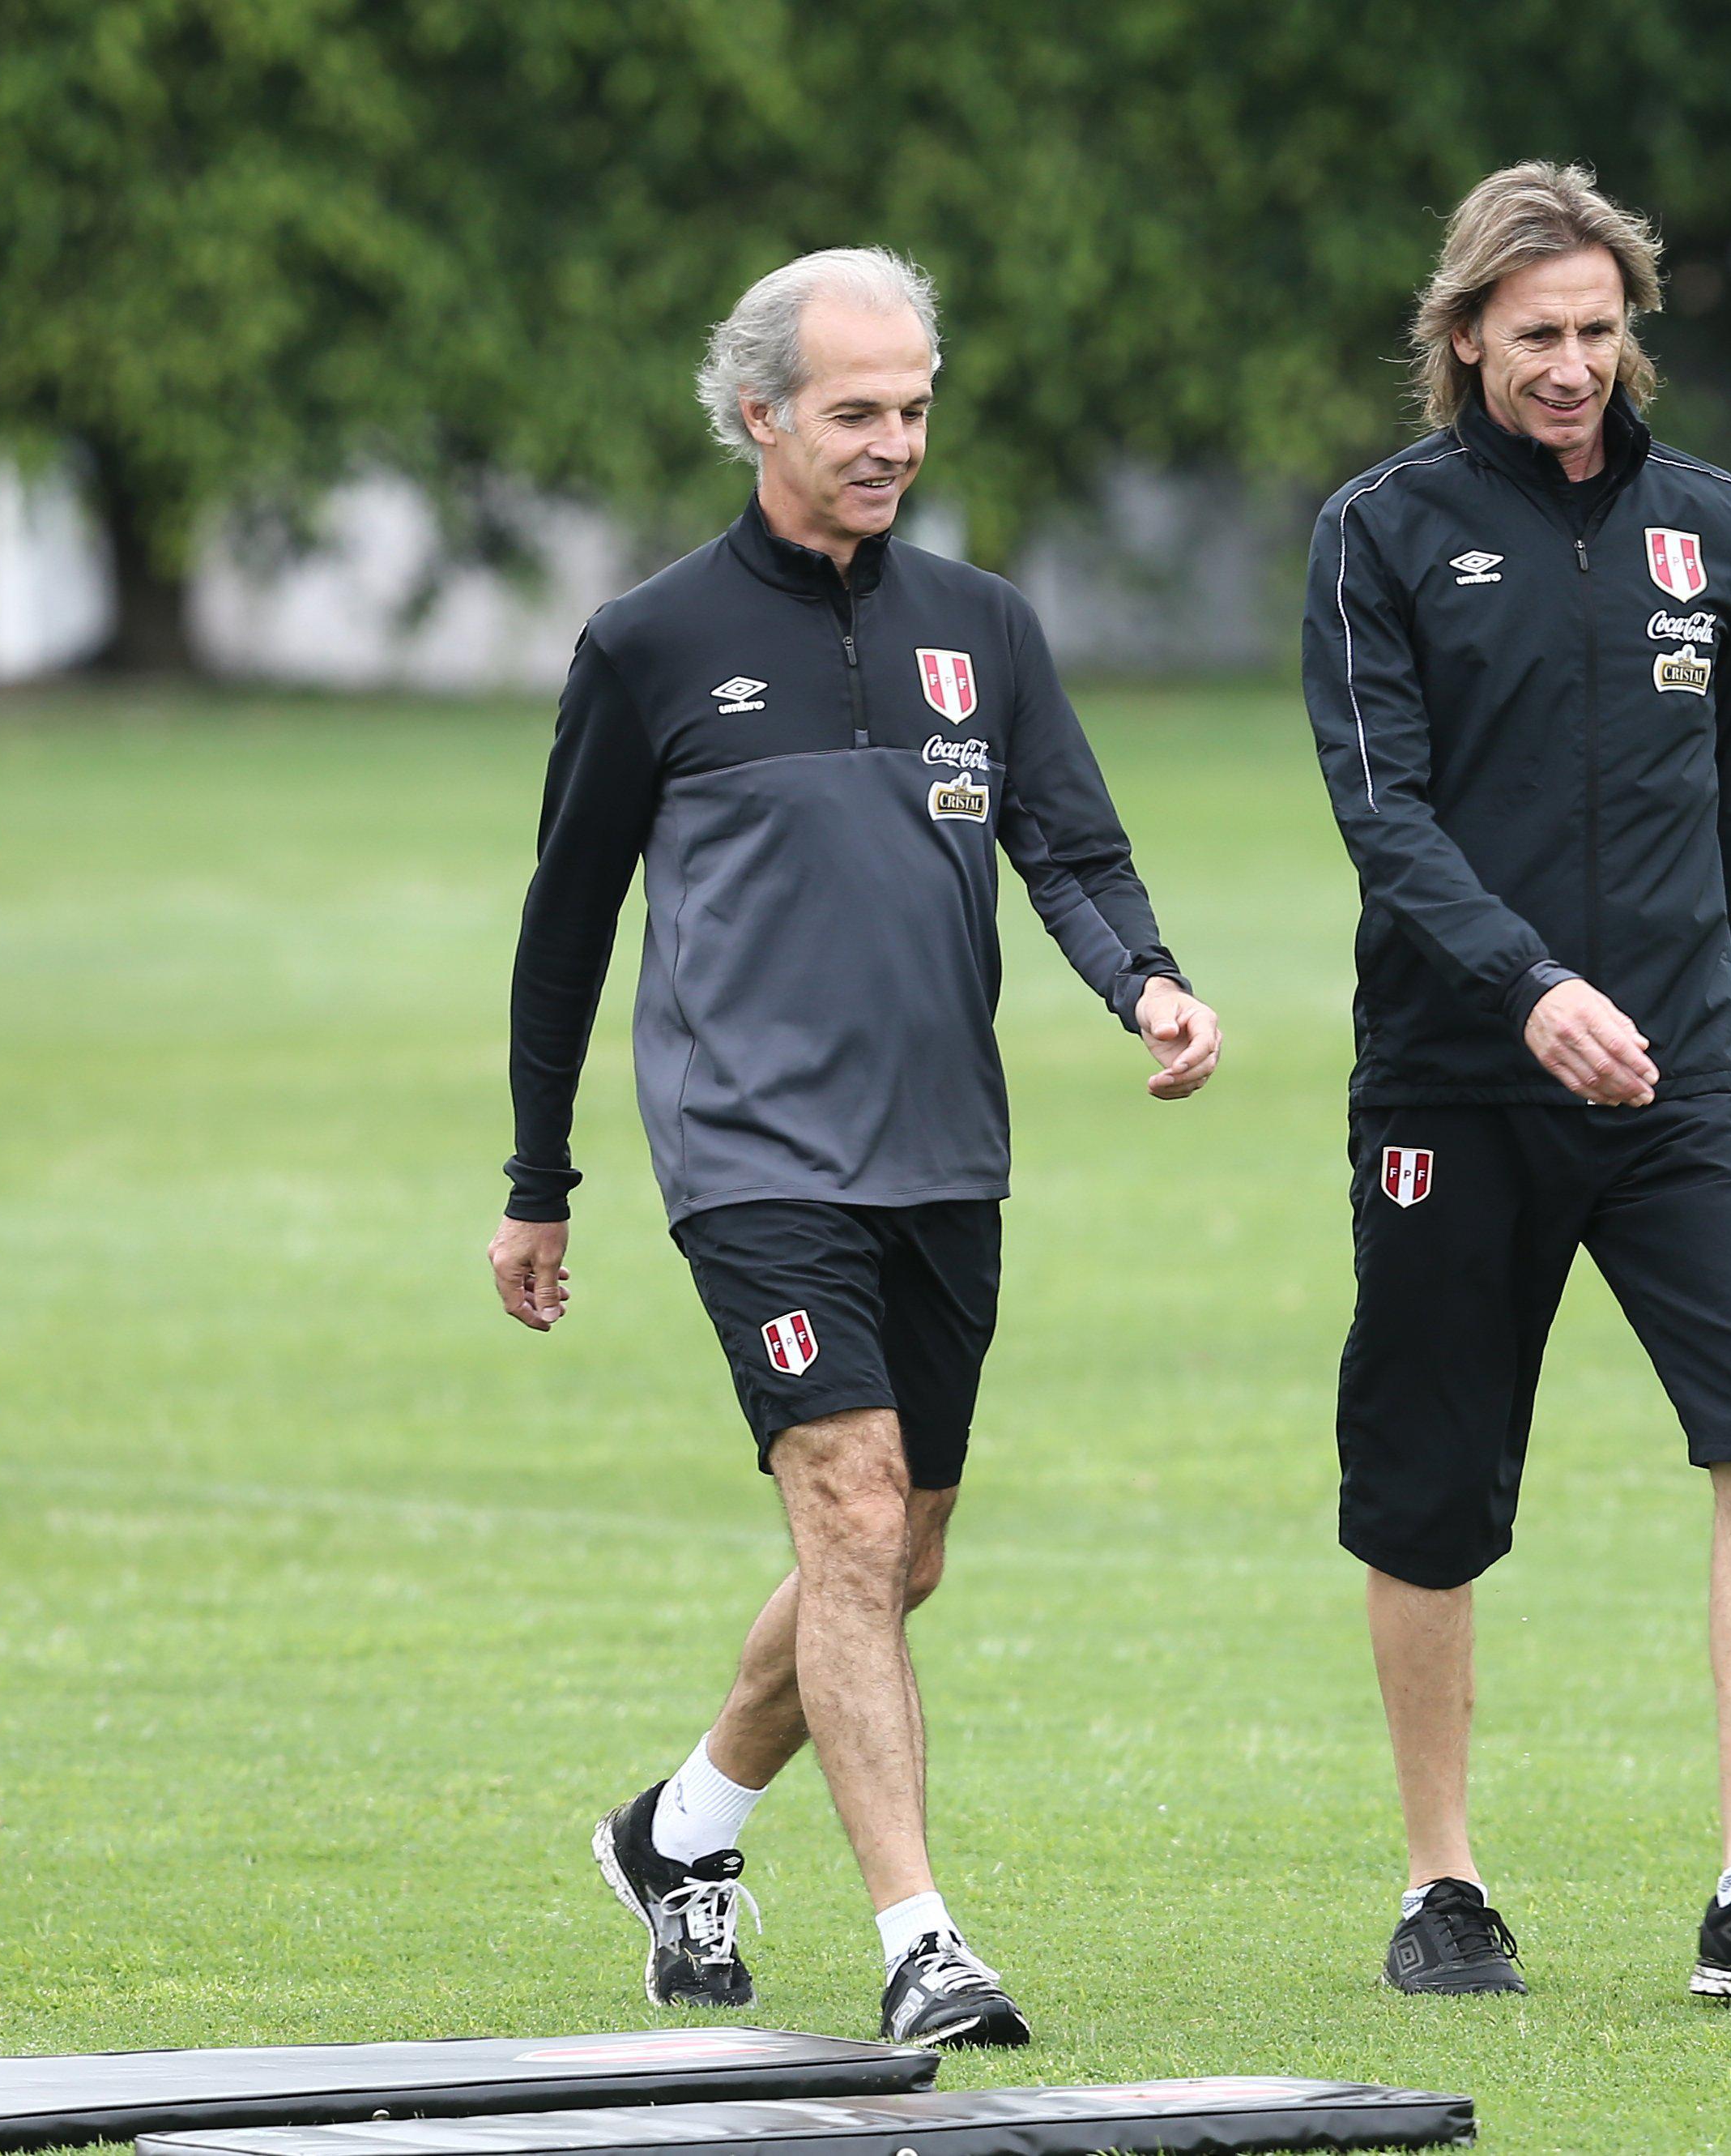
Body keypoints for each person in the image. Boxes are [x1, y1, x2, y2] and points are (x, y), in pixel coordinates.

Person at [485, 246, 1220, 2047]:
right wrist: (538, 1177)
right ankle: (922, 1938)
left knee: (896, 1559)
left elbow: (1073, 844)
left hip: (946, 1153)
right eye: (857, 412)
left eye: (914, 409)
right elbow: (565, 921)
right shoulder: (651, 644)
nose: (894, 442)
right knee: (852, 1511)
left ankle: (683, 1829)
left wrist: (1150, 985)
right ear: (761, 413)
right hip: (752, 1161)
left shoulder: (984, 622)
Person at [1301, 164, 1731, 2002]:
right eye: (1536, 334)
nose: (1572, 367)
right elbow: (1382, 817)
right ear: (1464, 334)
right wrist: (1527, 984)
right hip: (1453, 1083)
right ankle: (1442, 1883)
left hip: (1677, 1086)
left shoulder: (1709, 524)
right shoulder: (1380, 534)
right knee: (1432, 1489)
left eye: (1599, 330)